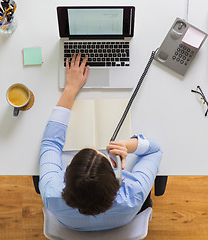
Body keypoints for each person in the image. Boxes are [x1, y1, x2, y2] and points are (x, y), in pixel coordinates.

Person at [39, 52, 163, 231]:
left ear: (66, 176)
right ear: (117, 178)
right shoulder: (133, 194)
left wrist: (70, 89)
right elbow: (155, 150)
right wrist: (128, 145)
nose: (96, 147)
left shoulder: (51, 192)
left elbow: (50, 143)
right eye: (101, 154)